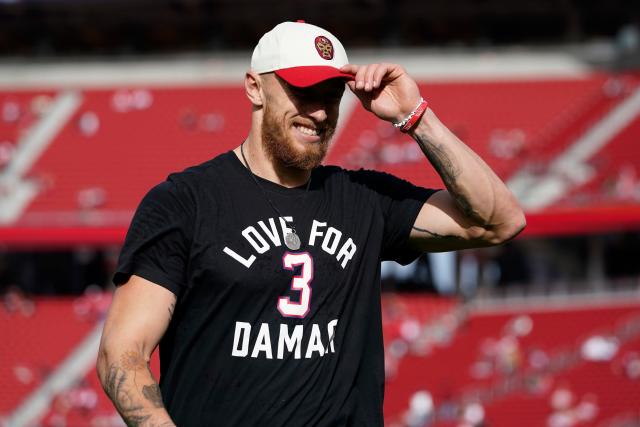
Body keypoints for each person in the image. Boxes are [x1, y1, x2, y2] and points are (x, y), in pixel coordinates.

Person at [96, 21, 525, 426]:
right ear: (254, 88)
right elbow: (122, 354)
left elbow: (498, 221)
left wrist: (415, 115)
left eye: (331, 95)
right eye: (303, 93)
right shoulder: (185, 202)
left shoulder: (365, 200)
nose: (319, 113)